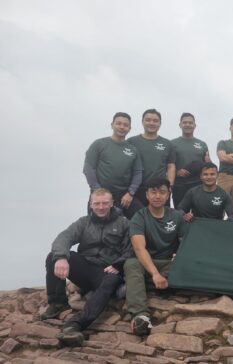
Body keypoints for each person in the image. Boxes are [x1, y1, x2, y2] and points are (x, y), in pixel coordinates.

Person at [41, 189, 131, 346]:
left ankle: (75, 324)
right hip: (85, 266)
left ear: (112, 204)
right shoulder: (83, 222)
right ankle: (57, 303)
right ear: (90, 205)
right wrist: (61, 257)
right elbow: (64, 237)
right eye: (97, 203)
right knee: (53, 257)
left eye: (105, 203)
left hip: (108, 269)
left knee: (110, 281)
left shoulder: (124, 224)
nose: (101, 207)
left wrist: (119, 265)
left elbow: (131, 249)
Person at [124, 177, 187, 336]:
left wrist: (178, 256)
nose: (157, 196)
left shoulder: (177, 216)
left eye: (162, 192)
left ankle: (141, 286)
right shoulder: (139, 217)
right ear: (147, 195)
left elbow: (185, 244)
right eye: (153, 192)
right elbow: (139, 249)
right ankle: (140, 315)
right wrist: (155, 274)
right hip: (146, 263)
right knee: (131, 264)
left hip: (168, 264)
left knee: (185, 265)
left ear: (168, 195)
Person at [83, 112, 143, 218]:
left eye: (125, 125)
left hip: (124, 195)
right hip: (101, 194)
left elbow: (138, 172)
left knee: (143, 217)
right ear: (112, 125)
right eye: (118, 123)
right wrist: (97, 190)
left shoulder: (133, 150)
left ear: (129, 128)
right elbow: (88, 168)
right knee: (96, 228)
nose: (122, 127)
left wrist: (130, 193)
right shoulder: (99, 144)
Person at [128, 109, 176, 206]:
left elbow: (171, 166)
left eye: (155, 121)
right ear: (142, 122)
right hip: (136, 189)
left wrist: (169, 186)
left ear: (160, 123)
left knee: (162, 219)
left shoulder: (167, 144)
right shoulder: (131, 142)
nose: (151, 123)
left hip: (160, 190)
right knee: (138, 219)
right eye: (148, 120)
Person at [171, 112, 211, 208]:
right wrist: (176, 172)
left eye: (190, 123)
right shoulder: (172, 143)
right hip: (180, 184)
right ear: (180, 125)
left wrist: (209, 162)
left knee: (199, 214)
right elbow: (167, 165)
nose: (187, 125)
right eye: (185, 122)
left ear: (194, 125)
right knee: (180, 213)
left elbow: (208, 166)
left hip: (198, 184)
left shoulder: (202, 144)